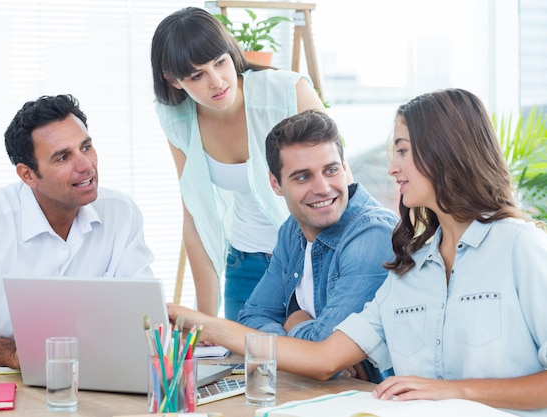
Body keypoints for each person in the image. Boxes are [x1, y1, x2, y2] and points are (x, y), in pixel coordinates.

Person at [169, 88, 547, 416]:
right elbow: (323, 358)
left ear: (445, 151)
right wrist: (201, 322)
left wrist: (456, 391)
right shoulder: (411, 268)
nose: (392, 167)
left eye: (402, 151)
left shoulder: (520, 247)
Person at [0, 94, 154, 369]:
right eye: (62, 157)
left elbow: (145, 316)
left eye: (86, 147)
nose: (85, 165)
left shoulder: (121, 213)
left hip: (94, 379)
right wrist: (18, 354)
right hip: (3, 381)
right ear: (28, 175)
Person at [151, 6, 337, 320]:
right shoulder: (177, 119)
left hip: (310, 260)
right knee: (241, 367)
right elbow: (195, 217)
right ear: (174, 81)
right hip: (245, 264)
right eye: (197, 75)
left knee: (315, 363)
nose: (217, 81)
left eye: (220, 62)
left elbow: (338, 184)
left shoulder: (288, 93)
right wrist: (205, 319)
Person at [236, 110, 397, 382]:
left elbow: (324, 352)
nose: (322, 188)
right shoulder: (292, 229)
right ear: (276, 184)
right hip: (318, 394)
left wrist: (294, 321)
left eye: (331, 170)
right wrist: (306, 347)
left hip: (373, 400)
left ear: (345, 167)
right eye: (302, 177)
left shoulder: (372, 234)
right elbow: (252, 316)